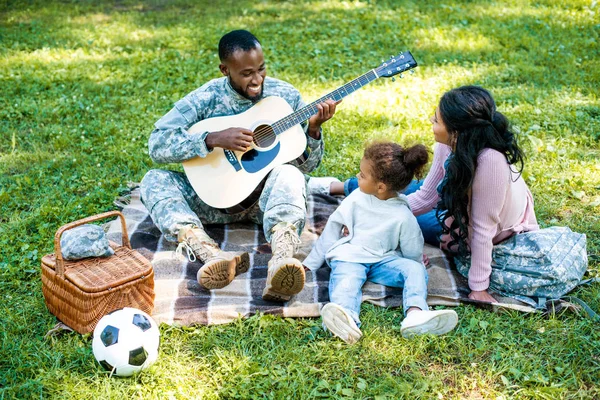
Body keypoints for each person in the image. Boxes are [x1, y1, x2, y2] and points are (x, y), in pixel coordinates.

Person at [140, 30, 338, 302]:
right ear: (225, 70)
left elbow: (309, 166)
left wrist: (313, 130)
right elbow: (157, 143)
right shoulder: (206, 98)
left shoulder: (285, 96)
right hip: (210, 202)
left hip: (263, 203)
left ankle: (281, 261)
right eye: (246, 74)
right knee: (153, 179)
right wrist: (212, 139)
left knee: (291, 174)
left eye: (261, 69)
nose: (257, 80)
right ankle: (210, 253)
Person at [318, 86, 539, 303]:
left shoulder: (490, 162)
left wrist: (478, 287)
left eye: (436, 120)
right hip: (457, 203)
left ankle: (350, 189)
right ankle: (339, 186)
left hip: (482, 225)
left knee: (402, 220)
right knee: (395, 186)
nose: (430, 122)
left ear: (456, 131)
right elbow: (426, 197)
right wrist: (365, 213)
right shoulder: (449, 145)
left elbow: (483, 229)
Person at [303, 142, 459, 344]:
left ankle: (415, 313)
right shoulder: (356, 199)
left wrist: (416, 261)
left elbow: (412, 245)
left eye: (362, 175)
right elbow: (332, 229)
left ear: (381, 187)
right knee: (346, 283)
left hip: (383, 260)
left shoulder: (403, 213)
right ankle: (346, 318)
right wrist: (311, 262)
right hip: (351, 256)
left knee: (415, 270)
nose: (357, 176)